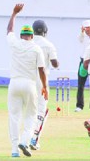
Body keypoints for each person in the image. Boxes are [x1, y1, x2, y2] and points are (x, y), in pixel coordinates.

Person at [6, 3, 48, 157]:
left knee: (14, 117)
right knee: (31, 115)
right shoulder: (36, 48)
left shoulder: (15, 43)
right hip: (30, 84)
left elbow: (9, 30)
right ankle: (25, 140)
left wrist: (14, 13)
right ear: (31, 36)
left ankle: (14, 150)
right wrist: (44, 87)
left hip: (14, 83)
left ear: (22, 35)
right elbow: (42, 70)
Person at [29, 20, 59, 150]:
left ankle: (25, 137)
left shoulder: (28, 43)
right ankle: (33, 139)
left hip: (27, 79)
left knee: (29, 110)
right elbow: (55, 63)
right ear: (45, 31)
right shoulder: (48, 45)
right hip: (41, 80)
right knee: (42, 110)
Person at [75, 20, 90, 112]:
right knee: (80, 85)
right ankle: (79, 106)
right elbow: (79, 39)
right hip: (83, 62)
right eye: (85, 27)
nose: (87, 29)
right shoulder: (82, 36)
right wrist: (82, 32)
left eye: (88, 27)